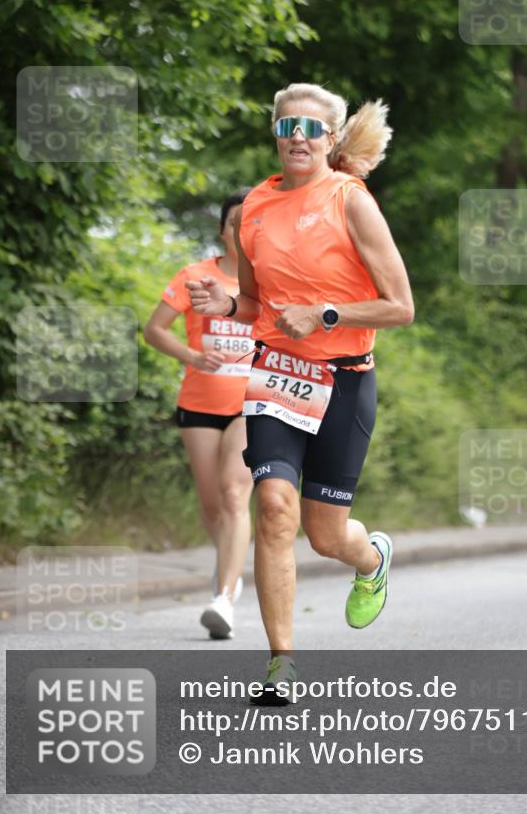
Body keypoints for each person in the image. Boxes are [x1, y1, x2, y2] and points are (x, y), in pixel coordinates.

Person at [187, 82, 414, 699]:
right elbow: (256, 304)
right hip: (276, 375)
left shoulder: (351, 201)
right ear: (275, 133)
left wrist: (325, 315)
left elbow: (400, 306)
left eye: (311, 129)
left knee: (325, 535)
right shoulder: (255, 207)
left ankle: (371, 559)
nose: (298, 137)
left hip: (345, 379)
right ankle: (281, 662)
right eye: (287, 126)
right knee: (273, 507)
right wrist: (226, 304)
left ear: (330, 139)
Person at [143, 190, 254, 638]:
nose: (242, 230)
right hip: (200, 403)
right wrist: (192, 355)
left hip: (253, 403)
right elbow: (154, 330)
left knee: (234, 493)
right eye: (234, 222)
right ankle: (230, 568)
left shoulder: (270, 281)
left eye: (250, 223)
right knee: (212, 505)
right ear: (222, 230)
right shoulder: (195, 275)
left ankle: (224, 597)